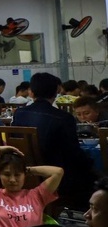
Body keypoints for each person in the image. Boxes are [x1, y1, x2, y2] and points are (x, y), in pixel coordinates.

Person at [12, 72, 96, 210]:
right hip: (56, 178)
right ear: (56, 92)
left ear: (31, 92)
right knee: (93, 175)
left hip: (24, 174)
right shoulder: (64, 118)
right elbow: (73, 153)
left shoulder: (20, 114)